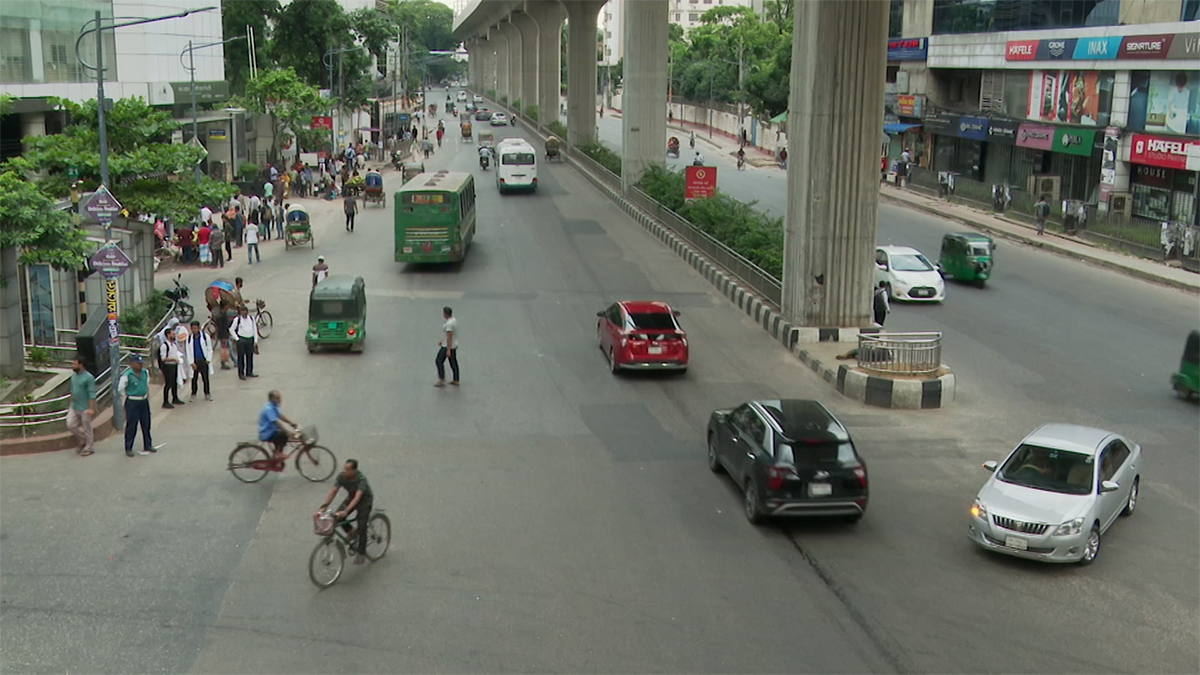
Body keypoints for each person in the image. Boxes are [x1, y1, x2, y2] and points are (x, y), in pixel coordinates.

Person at [316, 459, 374, 564]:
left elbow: (357, 498)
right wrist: (324, 506)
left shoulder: (361, 480)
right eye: (344, 468)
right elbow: (333, 491)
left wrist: (346, 511)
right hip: (351, 498)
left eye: (347, 470)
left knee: (362, 527)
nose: (344, 471)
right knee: (336, 517)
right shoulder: (342, 477)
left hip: (364, 502)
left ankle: (361, 553)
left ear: (354, 471)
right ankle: (351, 532)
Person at [117, 355, 154, 457]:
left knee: (146, 424)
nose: (140, 366)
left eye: (141, 364)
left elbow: (146, 384)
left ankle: (148, 444)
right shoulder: (127, 375)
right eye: (138, 363)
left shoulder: (145, 373)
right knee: (131, 426)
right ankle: (128, 447)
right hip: (133, 401)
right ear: (132, 364)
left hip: (143, 400)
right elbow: (121, 388)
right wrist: (129, 394)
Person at [258, 390, 300, 463]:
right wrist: (288, 432)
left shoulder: (273, 406)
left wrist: (291, 423)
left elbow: (280, 416)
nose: (279, 400)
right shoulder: (268, 409)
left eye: (279, 398)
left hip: (271, 431)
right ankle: (278, 454)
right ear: (271, 399)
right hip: (267, 433)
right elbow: (276, 422)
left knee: (282, 436)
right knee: (283, 435)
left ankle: (277, 456)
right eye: (277, 398)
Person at [67, 357, 97, 457]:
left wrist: (91, 408)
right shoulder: (73, 377)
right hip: (74, 406)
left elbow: (91, 393)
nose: (73, 366)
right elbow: (72, 391)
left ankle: (89, 447)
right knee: (70, 425)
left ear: (81, 365)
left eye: (75, 364)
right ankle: (83, 439)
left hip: (85, 407)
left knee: (87, 427)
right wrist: (70, 404)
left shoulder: (89, 377)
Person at [160, 326, 186, 409]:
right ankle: (165, 401)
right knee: (168, 383)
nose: (174, 336)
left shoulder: (174, 344)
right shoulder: (164, 346)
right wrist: (173, 359)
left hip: (174, 365)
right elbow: (163, 358)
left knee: (174, 382)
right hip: (168, 366)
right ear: (168, 335)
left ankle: (175, 397)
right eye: (173, 334)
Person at [187, 320, 214, 401]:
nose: (194, 330)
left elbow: (209, 348)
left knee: (205, 378)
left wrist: (208, 360)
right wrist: (192, 363)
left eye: (195, 328)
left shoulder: (205, 337)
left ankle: (207, 393)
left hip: (203, 360)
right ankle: (193, 394)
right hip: (195, 361)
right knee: (194, 379)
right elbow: (188, 351)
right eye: (192, 329)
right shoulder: (189, 339)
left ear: (199, 328)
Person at [231, 304, 259, 380]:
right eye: (242, 311)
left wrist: (255, 340)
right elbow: (231, 330)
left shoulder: (251, 319)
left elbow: (255, 329)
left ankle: (249, 371)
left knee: (250, 356)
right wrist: (237, 339)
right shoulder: (237, 319)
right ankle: (241, 373)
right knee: (241, 358)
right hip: (242, 339)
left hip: (250, 339)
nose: (244, 313)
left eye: (245, 311)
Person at [435, 306, 460, 387]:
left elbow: (449, 336)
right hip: (453, 345)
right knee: (453, 362)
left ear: (445, 314)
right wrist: (441, 341)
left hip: (447, 346)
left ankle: (441, 379)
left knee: (439, 360)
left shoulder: (449, 324)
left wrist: (448, 349)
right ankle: (456, 379)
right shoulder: (454, 320)